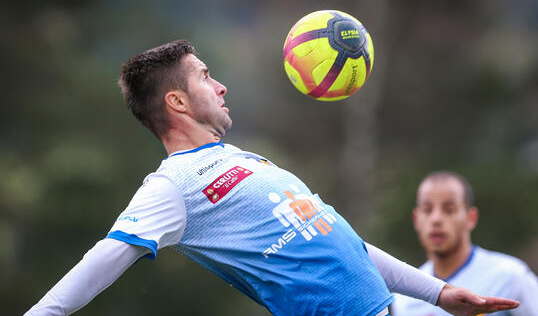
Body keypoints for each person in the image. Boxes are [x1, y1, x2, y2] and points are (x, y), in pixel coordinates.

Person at [25, 40, 519, 316]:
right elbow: (105, 256)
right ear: (175, 101)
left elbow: (342, 241)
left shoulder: (249, 161)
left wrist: (435, 293)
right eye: (203, 75)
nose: (220, 85)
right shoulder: (172, 185)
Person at [392, 171, 538, 316]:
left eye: (449, 210)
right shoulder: (405, 295)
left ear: (471, 218)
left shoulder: (511, 277)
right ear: (416, 219)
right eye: (427, 210)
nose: (436, 219)